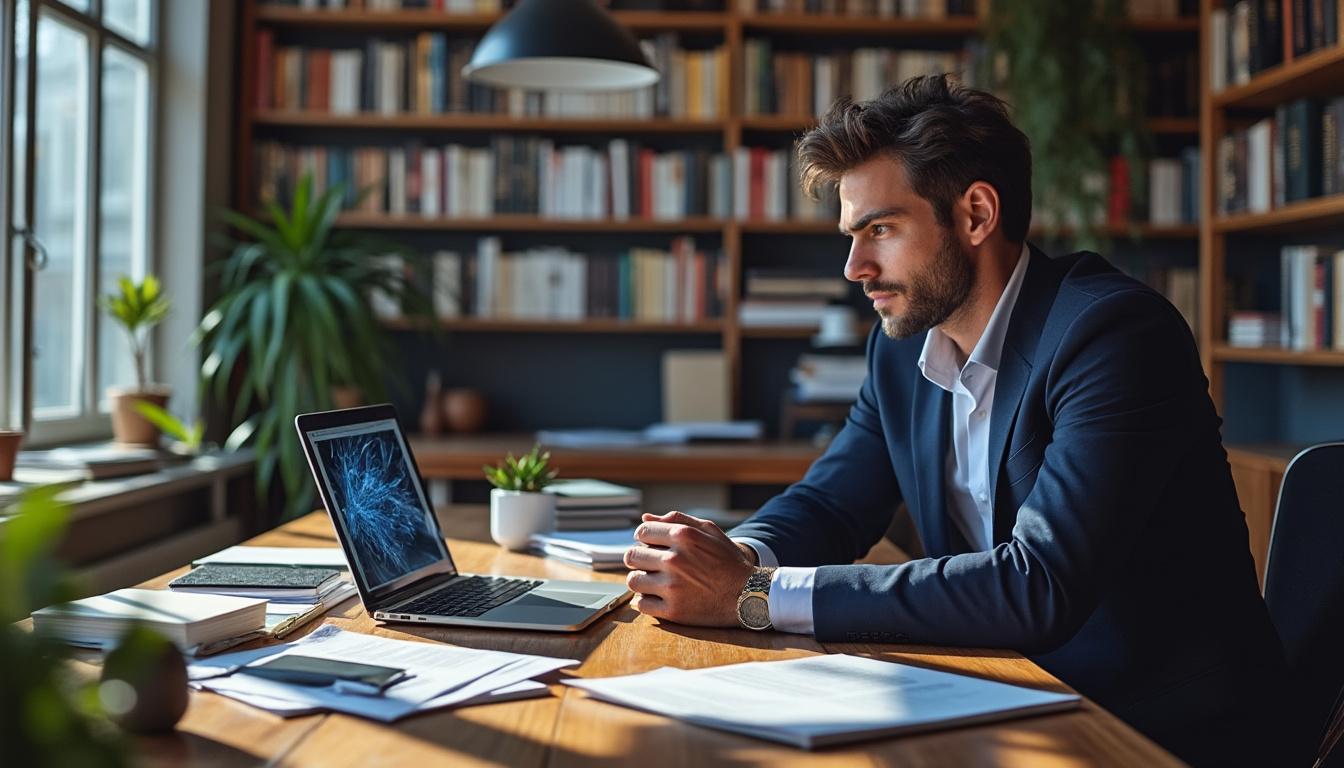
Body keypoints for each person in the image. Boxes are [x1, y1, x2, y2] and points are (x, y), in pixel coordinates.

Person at [623, 75, 1289, 767]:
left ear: (975, 214)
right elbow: (831, 502)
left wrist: (753, 596)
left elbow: (1040, 582)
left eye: (880, 229)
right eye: (853, 236)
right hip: (996, 691)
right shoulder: (901, 348)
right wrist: (730, 558)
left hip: (1158, 729)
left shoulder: (1113, 334)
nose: (855, 266)